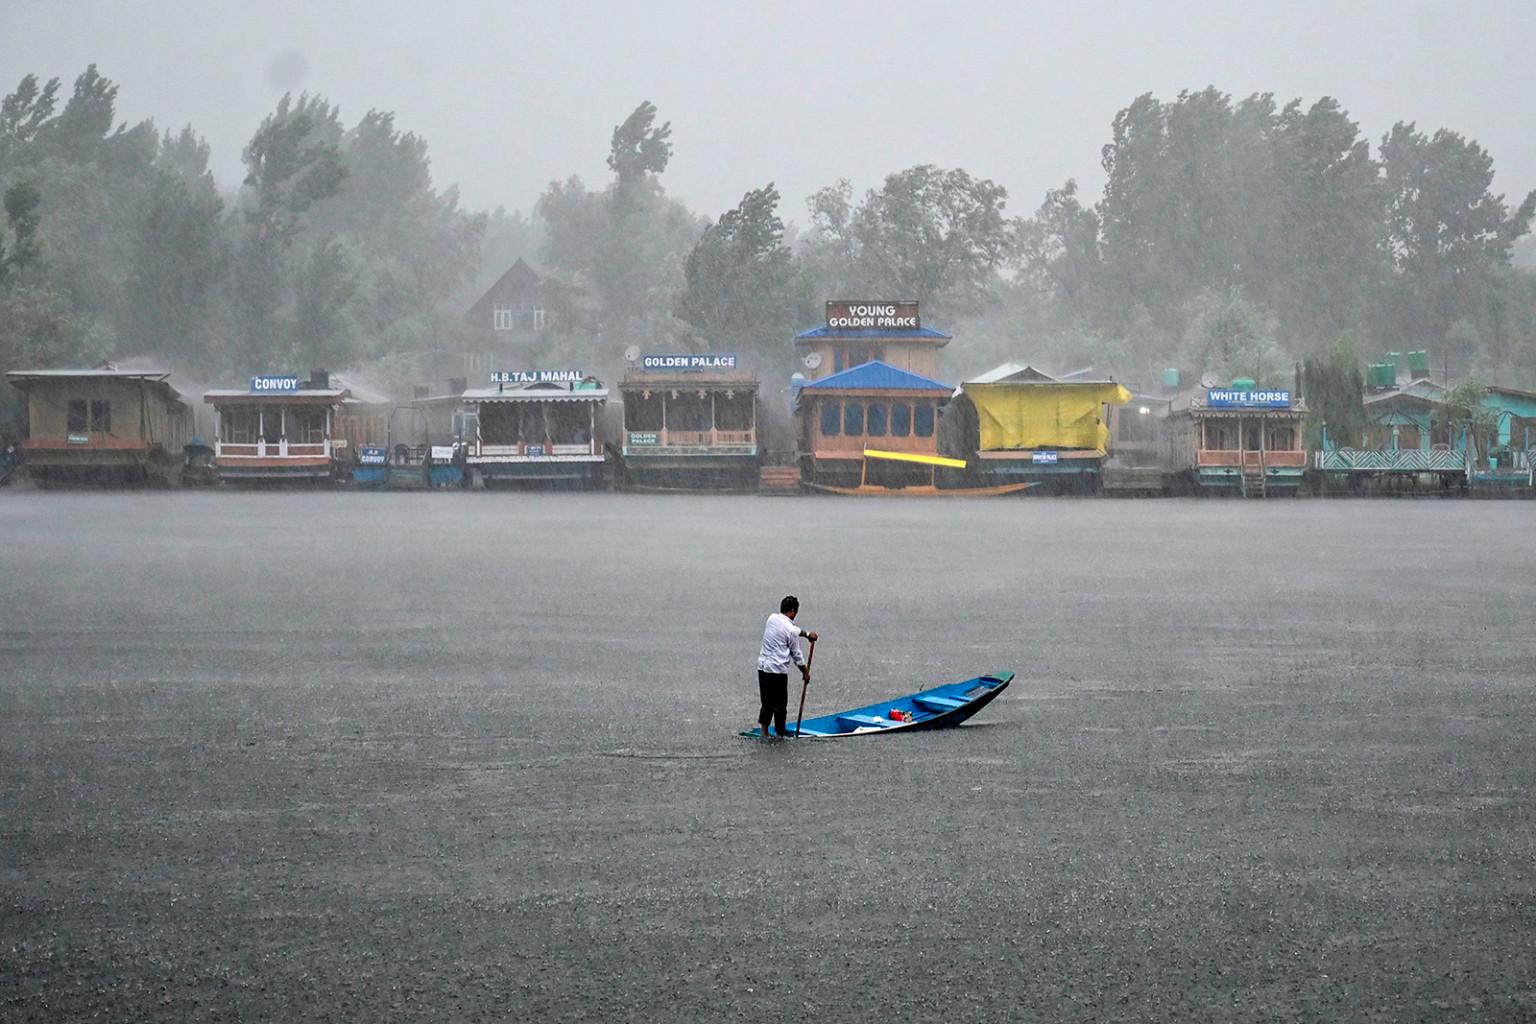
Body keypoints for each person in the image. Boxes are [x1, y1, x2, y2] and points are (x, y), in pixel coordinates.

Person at [756, 595, 818, 739]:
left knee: (767, 702)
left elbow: (795, 630)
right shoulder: (791, 630)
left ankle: (764, 731)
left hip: (763, 668)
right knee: (780, 705)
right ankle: (779, 733)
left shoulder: (771, 619)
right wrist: (805, 672)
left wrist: (808, 634)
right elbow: (796, 654)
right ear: (792, 611)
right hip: (777, 671)